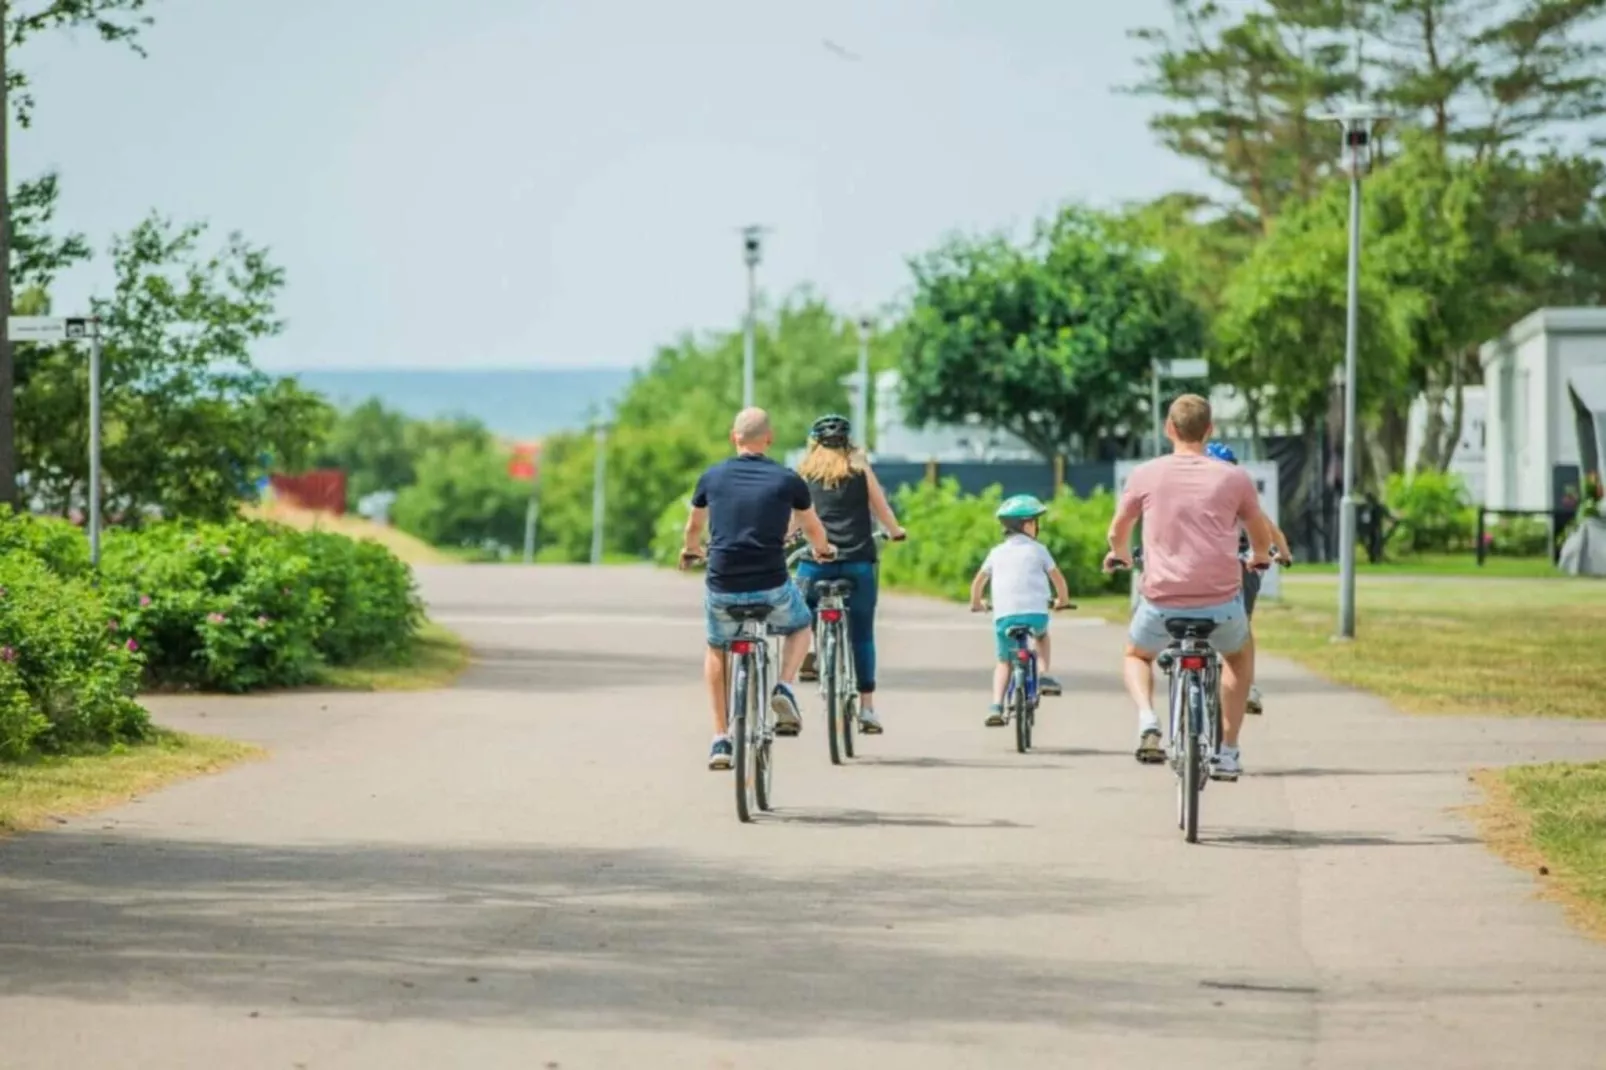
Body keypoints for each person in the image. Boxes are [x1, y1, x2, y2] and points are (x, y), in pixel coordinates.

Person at [1105, 395, 1272, 780]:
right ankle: (1228, 752)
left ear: (1169, 429)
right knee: (1238, 656)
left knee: (1136, 654)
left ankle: (1148, 719)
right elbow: (1258, 531)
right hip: (1222, 603)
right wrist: (1259, 556)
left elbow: (1118, 530)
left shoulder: (1146, 474)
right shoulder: (1234, 478)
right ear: (1210, 430)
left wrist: (1120, 555)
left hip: (1162, 603)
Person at [680, 407, 835, 771]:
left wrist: (690, 550)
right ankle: (783, 686)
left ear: (734, 437)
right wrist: (824, 551)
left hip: (723, 584)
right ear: (770, 438)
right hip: (770, 584)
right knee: (800, 624)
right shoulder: (787, 479)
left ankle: (720, 737)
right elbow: (813, 529)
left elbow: (693, 526)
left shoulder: (711, 477)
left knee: (717, 646)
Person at [792, 414, 905, 735]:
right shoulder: (861, 472)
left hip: (817, 564)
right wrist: (895, 532)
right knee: (863, 635)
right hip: (858, 563)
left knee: (802, 608)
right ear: (848, 443)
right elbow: (882, 512)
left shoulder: (804, 475)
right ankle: (867, 708)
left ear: (813, 442)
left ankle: (813, 647)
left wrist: (786, 537)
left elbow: (795, 520)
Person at [1204, 440, 1294, 715]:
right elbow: (1270, 530)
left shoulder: (1194, 495)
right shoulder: (1238, 495)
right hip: (1242, 565)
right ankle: (1248, 686)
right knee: (1242, 625)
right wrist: (1284, 554)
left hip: (1205, 568)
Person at [969, 494, 1072, 727]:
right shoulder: (1039, 550)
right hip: (1036, 614)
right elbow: (1058, 580)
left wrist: (977, 603)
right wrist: (1062, 600)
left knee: (1004, 662)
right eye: (1036, 522)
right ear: (1027, 525)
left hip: (1004, 617)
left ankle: (996, 706)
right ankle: (1044, 674)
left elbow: (978, 583)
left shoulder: (996, 552)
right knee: (1042, 636)